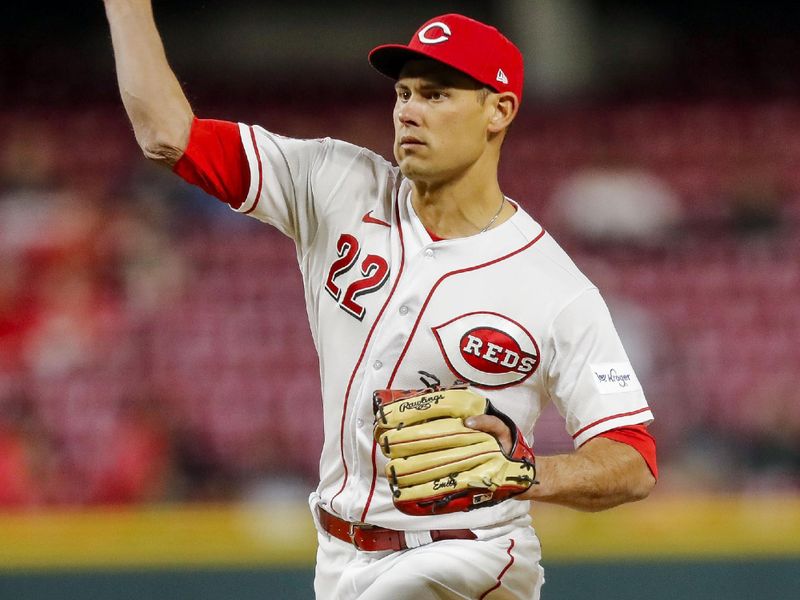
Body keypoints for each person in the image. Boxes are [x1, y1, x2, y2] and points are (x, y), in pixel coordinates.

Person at [103, 3, 657, 598]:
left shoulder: (557, 290)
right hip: (339, 557)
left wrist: (526, 472)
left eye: (438, 95)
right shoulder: (334, 184)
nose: (410, 111)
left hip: (465, 559)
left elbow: (633, 459)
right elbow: (167, 135)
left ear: (499, 110)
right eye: (404, 94)